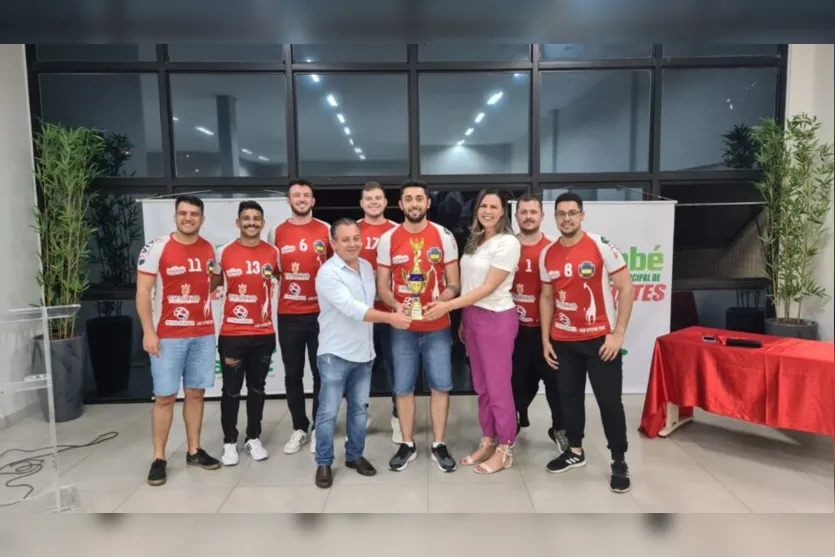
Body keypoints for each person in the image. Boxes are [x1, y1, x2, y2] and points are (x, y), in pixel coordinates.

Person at [539, 192, 634, 493]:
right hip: (564, 341)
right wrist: (546, 339)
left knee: (609, 402)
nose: (567, 218)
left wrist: (618, 333)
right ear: (555, 218)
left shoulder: (600, 244)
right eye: (561, 214)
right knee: (569, 398)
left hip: (599, 341)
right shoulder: (547, 254)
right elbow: (546, 297)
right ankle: (575, 451)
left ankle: (619, 460)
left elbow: (626, 287)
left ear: (582, 215)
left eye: (572, 212)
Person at [423, 190, 521, 474]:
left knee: (499, 387)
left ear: (503, 211)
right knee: (481, 387)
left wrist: (447, 307)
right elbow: (469, 286)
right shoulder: (477, 240)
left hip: (497, 318)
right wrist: (464, 318)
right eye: (483, 206)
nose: (488, 211)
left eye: (494, 206)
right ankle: (488, 440)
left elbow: (487, 288)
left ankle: (505, 448)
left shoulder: (507, 243)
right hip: (474, 316)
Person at [312, 218, 412, 488]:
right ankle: (323, 461)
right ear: (333, 243)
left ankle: (354, 456)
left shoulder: (367, 267)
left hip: (363, 354)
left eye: (356, 238)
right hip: (334, 354)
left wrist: (400, 307)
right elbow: (353, 309)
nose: (353, 244)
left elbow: (377, 297)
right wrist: (391, 318)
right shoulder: (328, 273)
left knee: (358, 410)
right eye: (345, 240)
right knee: (328, 413)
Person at [136, 195, 220, 486]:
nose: (188, 218)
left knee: (196, 394)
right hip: (168, 336)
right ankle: (159, 458)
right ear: (175, 216)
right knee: (164, 398)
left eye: (194, 214)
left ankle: (194, 450)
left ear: (201, 218)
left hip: (203, 333)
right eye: (183, 213)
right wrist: (149, 331)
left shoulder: (208, 248)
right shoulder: (157, 247)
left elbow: (211, 284)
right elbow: (144, 292)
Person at [376, 180, 460, 473]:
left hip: (437, 325)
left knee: (440, 385)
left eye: (419, 199)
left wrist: (443, 301)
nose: (414, 204)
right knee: (403, 387)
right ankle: (408, 444)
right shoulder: (388, 239)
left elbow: (454, 284)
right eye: (408, 199)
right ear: (400, 205)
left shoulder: (444, 236)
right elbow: (383, 287)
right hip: (402, 326)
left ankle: (439, 444)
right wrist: (395, 307)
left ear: (428, 203)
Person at [211, 200, 280, 466]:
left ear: (263, 223)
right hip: (232, 333)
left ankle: (253, 437)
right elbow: (213, 284)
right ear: (237, 222)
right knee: (230, 390)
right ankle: (229, 442)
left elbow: (282, 278)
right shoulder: (224, 252)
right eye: (246, 218)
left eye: (256, 218)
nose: (252, 223)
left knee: (257, 388)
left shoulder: (274, 252)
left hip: (263, 333)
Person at [267, 179, 332, 455]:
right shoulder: (276, 232)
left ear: (313, 201)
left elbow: (332, 268)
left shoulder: (326, 230)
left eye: (306, 195)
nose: (302, 199)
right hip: (288, 314)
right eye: (297, 195)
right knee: (293, 374)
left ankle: (319, 426)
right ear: (288, 200)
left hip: (320, 313)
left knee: (321, 373)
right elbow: (275, 270)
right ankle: (299, 427)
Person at [510, 194, 567, 452]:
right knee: (516, 383)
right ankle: (513, 422)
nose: (528, 216)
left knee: (556, 385)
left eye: (534, 212)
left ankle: (560, 429)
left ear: (542, 216)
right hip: (514, 331)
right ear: (516, 215)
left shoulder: (554, 249)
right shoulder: (507, 247)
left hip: (548, 331)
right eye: (524, 212)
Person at [357, 181, 401, 444]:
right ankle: (360, 413)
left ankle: (398, 416)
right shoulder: (352, 231)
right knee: (361, 366)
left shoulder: (396, 231)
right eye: (368, 199)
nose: (373, 203)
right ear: (362, 204)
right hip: (361, 314)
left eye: (378, 199)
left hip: (390, 311)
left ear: (386, 203)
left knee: (395, 366)